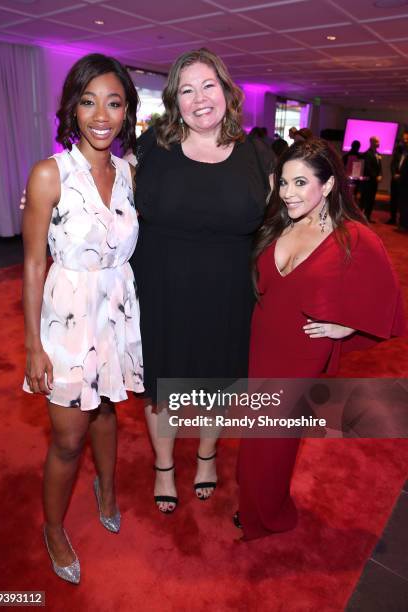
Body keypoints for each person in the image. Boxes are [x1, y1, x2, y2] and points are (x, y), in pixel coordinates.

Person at [236, 138, 405, 541]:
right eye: (284, 183)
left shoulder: (354, 237)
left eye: (300, 184)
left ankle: (267, 514)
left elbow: (391, 299)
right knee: (255, 432)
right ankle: (258, 502)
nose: (288, 194)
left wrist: (350, 326)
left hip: (301, 350)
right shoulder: (278, 222)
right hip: (261, 341)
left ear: (327, 185)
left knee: (274, 438)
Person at [22, 54, 143, 583]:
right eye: (89, 101)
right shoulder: (50, 173)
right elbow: (31, 264)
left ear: (126, 111)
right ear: (72, 109)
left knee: (107, 411)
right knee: (69, 437)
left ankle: (107, 489)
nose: (101, 114)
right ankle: (52, 528)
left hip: (116, 313)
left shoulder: (128, 172)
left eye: (113, 102)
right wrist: (32, 344)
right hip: (67, 321)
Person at [132, 48, 268, 513]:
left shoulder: (258, 154)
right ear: (175, 101)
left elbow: (295, 221)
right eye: (186, 90)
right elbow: (100, 183)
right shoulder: (152, 146)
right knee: (163, 385)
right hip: (162, 288)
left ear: (228, 92)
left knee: (216, 385)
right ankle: (165, 466)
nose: (199, 98)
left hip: (229, 293)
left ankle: (207, 457)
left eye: (208, 85)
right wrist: (48, 193)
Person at [388, 130, 408, 226]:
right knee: (394, 200)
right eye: (403, 139)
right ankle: (392, 218)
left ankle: (403, 221)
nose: (404, 141)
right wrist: (394, 174)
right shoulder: (398, 150)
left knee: (404, 202)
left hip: (405, 181)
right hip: (395, 179)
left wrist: (402, 175)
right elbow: (392, 164)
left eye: (406, 139)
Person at [360, 135, 382, 222]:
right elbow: (368, 167)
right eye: (377, 142)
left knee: (372, 199)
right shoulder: (366, 154)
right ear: (372, 142)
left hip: (374, 181)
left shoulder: (378, 154)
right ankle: (361, 216)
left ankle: (368, 216)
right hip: (368, 180)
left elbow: (379, 167)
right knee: (365, 198)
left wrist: (380, 175)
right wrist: (375, 176)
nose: (379, 143)